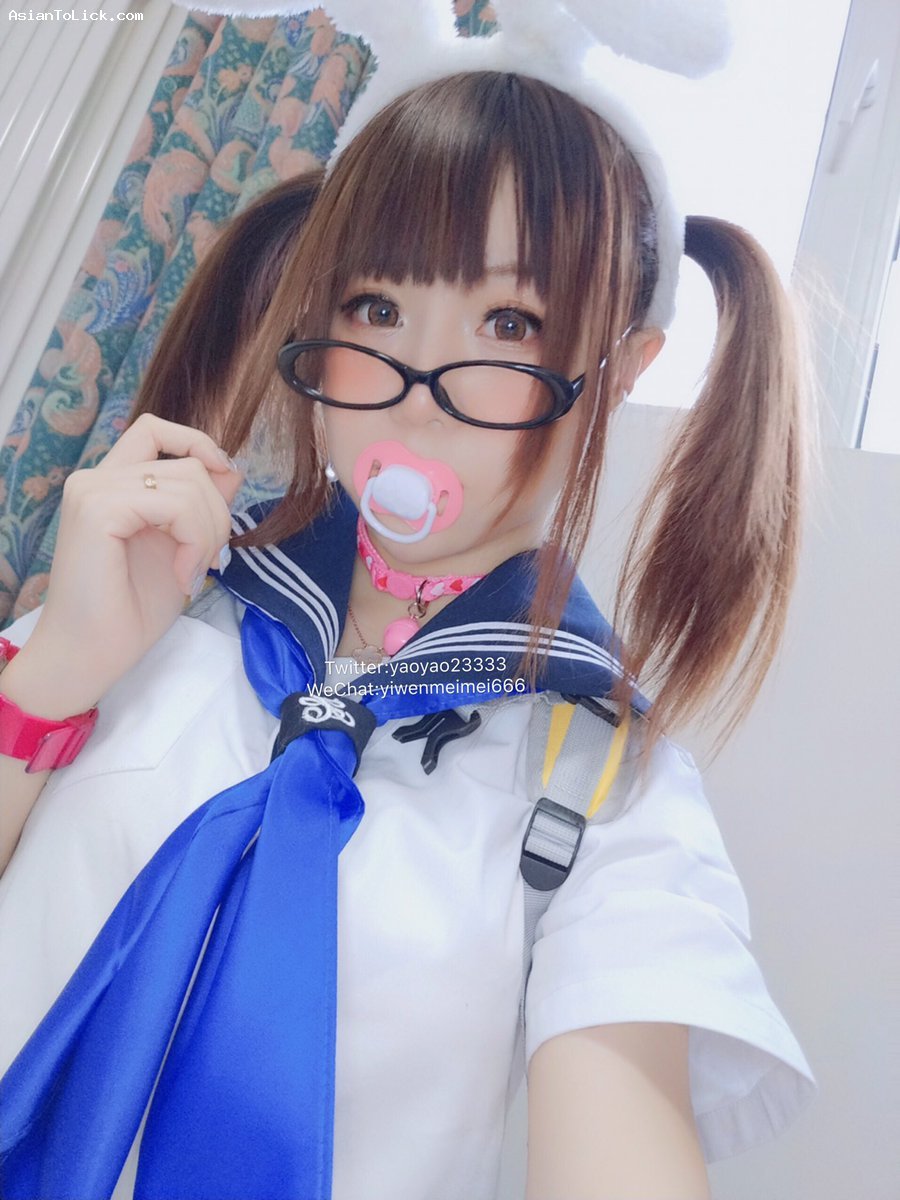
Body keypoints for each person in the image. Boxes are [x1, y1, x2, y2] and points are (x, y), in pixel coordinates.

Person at [0, 57, 815, 1200]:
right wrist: (49, 683)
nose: (419, 386)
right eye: (376, 308)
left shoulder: (613, 797)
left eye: (510, 321)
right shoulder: (152, 585)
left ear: (623, 369)